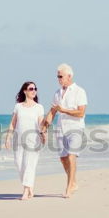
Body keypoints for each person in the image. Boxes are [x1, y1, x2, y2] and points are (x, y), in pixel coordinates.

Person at [41, 63, 88, 198]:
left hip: (76, 128)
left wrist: (64, 110)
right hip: (61, 129)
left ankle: (68, 188)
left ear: (69, 76)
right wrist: (44, 128)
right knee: (63, 158)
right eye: (57, 76)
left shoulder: (80, 91)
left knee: (71, 156)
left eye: (61, 76)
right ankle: (73, 182)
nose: (59, 79)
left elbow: (81, 112)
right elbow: (52, 112)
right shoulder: (57, 93)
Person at [5, 81, 45, 200]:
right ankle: (29, 186)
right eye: (31, 89)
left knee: (29, 165)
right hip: (18, 140)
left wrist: (44, 134)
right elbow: (13, 123)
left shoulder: (39, 107)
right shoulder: (18, 106)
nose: (34, 91)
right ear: (25, 91)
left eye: (35, 89)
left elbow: (41, 123)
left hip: (34, 140)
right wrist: (8, 137)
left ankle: (26, 191)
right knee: (19, 164)